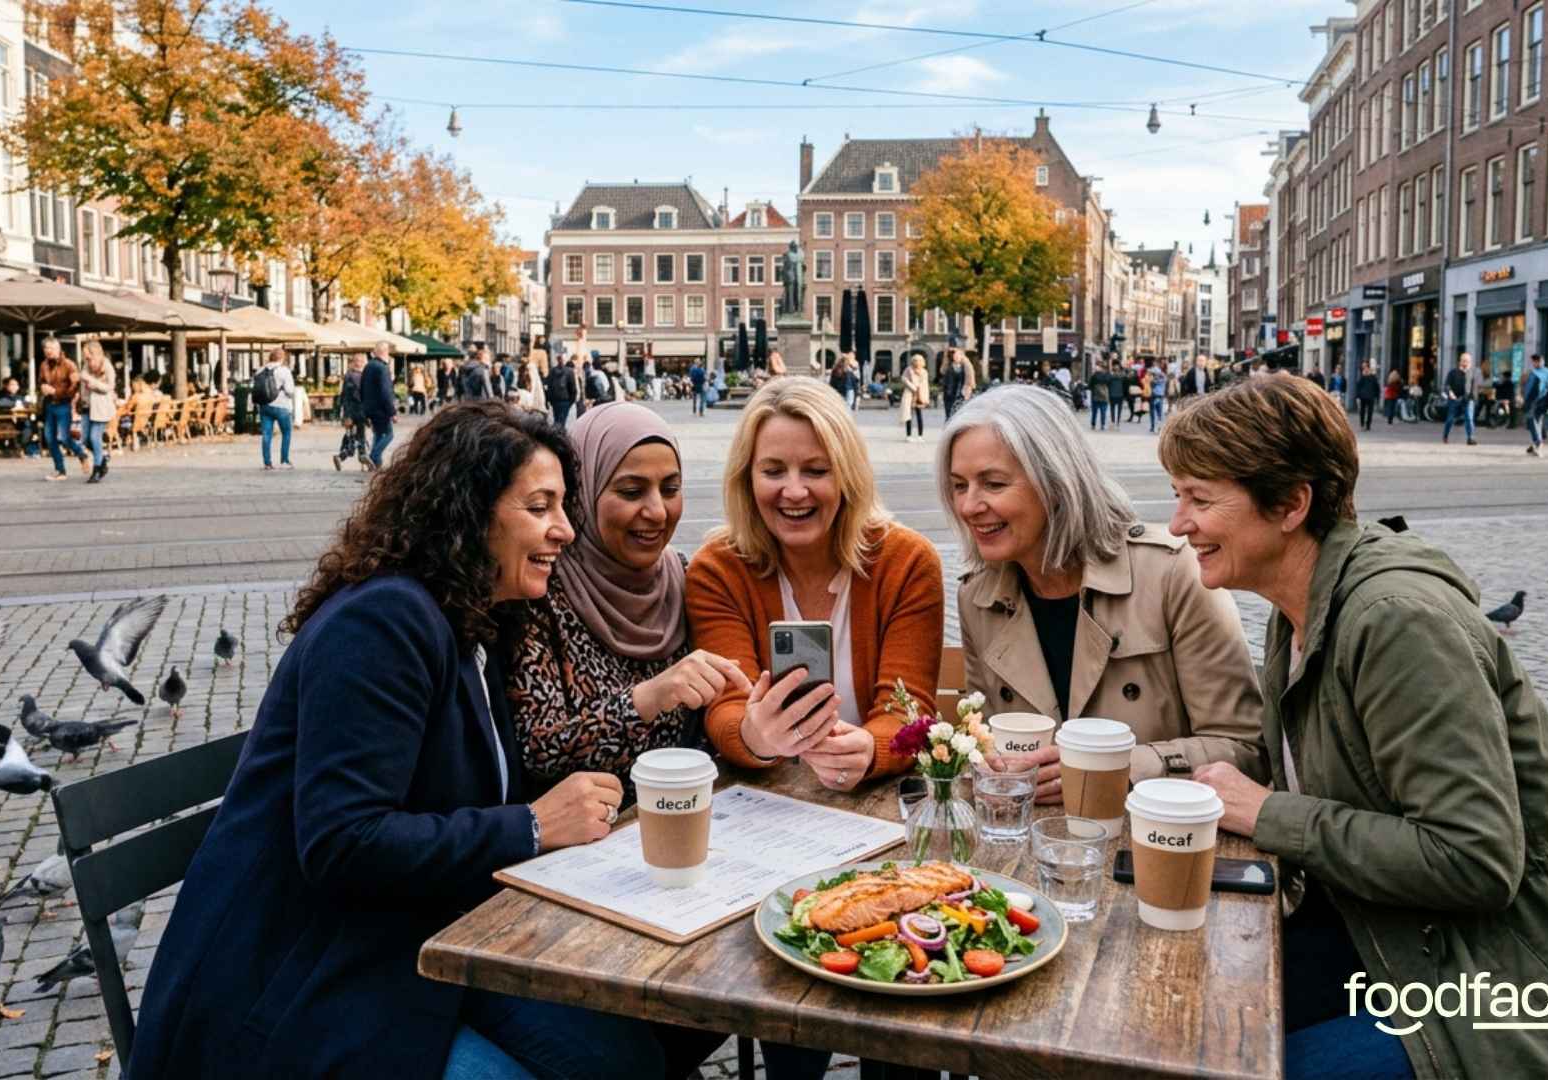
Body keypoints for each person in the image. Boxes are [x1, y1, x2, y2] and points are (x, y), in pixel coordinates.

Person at [1161, 374, 1548, 1080]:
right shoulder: (1301, 608)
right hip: (1396, 934)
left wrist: (1271, 814)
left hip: (1516, 978)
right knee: (1180, 1011)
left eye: (1199, 499)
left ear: (1291, 504)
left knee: (1227, 1059)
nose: (1176, 524)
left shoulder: (1395, 620)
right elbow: (1292, 762)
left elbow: (1474, 860)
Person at [128, 402, 677, 1080]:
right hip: (304, 979)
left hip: (419, 939)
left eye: (565, 507)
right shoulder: (383, 622)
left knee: (633, 1054)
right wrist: (532, 827)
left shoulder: (476, 621)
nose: (565, 530)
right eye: (540, 507)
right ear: (467, 514)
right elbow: (343, 843)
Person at [940, 386, 1263, 802]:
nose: (968, 506)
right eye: (958, 486)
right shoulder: (979, 598)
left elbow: (1245, 750)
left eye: (994, 484)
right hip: (1035, 843)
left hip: (1151, 841)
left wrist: (1111, 767)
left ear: (1056, 481)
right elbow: (982, 737)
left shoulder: (1170, 572)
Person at [686, 377, 943, 794]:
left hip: (873, 799)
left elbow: (907, 709)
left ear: (847, 475)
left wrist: (871, 749)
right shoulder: (718, 569)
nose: (794, 490)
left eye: (816, 470)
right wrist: (756, 735)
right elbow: (728, 707)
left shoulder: (907, 563)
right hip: (767, 802)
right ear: (746, 479)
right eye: (773, 471)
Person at [512, 402, 746, 793]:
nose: (656, 511)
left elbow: (726, 716)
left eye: (670, 489)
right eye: (632, 491)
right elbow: (537, 750)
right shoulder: (540, 590)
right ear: (581, 494)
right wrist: (647, 699)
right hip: (587, 838)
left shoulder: (688, 577)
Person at [37, 337, 89, 481]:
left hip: (63, 404)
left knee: (64, 437)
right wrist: (42, 387)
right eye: (46, 348)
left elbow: (74, 387)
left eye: (51, 348)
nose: (48, 351)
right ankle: (60, 471)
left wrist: (56, 392)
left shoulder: (69, 365)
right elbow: (40, 381)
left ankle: (82, 454)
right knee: (50, 439)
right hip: (49, 405)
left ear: (59, 349)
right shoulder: (43, 365)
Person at [79, 340, 118, 484]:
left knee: (95, 437)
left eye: (88, 357)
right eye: (85, 357)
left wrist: (92, 382)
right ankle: (103, 458)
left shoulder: (107, 366)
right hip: (86, 406)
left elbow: (109, 387)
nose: (86, 360)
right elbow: (82, 377)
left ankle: (97, 470)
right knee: (85, 439)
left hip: (101, 407)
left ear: (96, 354)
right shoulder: (87, 365)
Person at [256, 348, 297, 471]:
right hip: (282, 406)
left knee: (266, 434)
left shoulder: (260, 370)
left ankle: (267, 463)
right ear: (282, 358)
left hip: (264, 406)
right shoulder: (284, 371)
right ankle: (284, 460)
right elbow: (290, 391)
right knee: (286, 433)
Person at [360, 346, 396, 469]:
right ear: (385, 353)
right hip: (381, 409)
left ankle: (375, 464)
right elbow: (386, 392)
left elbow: (361, 388)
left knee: (379, 434)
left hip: (369, 408)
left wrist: (364, 407)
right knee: (389, 435)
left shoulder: (368, 366)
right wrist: (392, 412)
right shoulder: (382, 368)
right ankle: (373, 456)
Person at [332, 354, 368, 472]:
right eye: (360, 361)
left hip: (349, 411)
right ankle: (358, 457)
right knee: (360, 436)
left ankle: (343, 456)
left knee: (351, 436)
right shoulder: (359, 376)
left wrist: (343, 413)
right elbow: (360, 396)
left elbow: (342, 396)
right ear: (362, 362)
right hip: (358, 411)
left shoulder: (347, 375)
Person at [1521, 352, 1548, 457]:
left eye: (1538, 361)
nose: (1537, 363)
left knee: (1534, 421)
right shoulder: (1535, 373)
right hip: (1537, 401)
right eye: (1536, 361)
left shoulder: (1542, 373)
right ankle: (1536, 444)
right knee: (1536, 421)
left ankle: (1538, 442)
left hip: (1539, 401)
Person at [1441, 352, 1477, 445]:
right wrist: (1450, 392)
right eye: (1463, 361)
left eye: (1467, 361)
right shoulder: (1453, 372)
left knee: (1469, 418)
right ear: (1460, 361)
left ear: (1470, 362)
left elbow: (1474, 388)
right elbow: (1447, 385)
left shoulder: (1472, 373)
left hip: (1467, 400)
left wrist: (1472, 398)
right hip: (1454, 399)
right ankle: (1445, 436)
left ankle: (1470, 438)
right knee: (1450, 419)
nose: (1465, 363)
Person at [900, 354, 931, 442]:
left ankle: (920, 435)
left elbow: (925, 385)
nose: (917, 362)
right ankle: (908, 435)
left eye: (919, 360)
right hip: (909, 394)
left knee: (919, 415)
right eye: (915, 360)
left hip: (919, 395)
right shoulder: (908, 369)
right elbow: (903, 379)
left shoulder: (924, 372)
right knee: (908, 415)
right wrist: (913, 386)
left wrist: (926, 397)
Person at [1352, 361, 1379, 431]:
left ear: (1369, 369)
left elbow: (1376, 387)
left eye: (1367, 368)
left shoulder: (1373, 377)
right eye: (1364, 368)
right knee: (1362, 411)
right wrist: (1357, 396)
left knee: (1370, 412)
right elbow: (1358, 387)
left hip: (1370, 397)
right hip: (1363, 397)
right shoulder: (1362, 377)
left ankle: (1368, 425)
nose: (1366, 370)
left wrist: (1377, 396)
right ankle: (1362, 424)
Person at [1087, 364, 1110, 430]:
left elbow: (1089, 386)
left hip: (1095, 397)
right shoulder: (1106, 376)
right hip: (1104, 397)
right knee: (1103, 412)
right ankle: (1102, 425)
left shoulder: (1094, 376)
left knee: (1094, 412)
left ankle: (1093, 425)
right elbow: (1109, 383)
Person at [1146, 363, 1167, 431]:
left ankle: (1152, 426)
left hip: (1153, 396)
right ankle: (1159, 426)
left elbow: (1150, 383)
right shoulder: (1163, 379)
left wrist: (1152, 377)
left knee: (1152, 412)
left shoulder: (1153, 380)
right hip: (1160, 397)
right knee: (1159, 413)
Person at [1107, 361, 1128, 428]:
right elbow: (1126, 384)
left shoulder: (1110, 376)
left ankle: (1113, 421)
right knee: (1119, 409)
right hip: (1120, 395)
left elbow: (1108, 385)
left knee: (1112, 409)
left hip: (1112, 395)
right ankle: (1118, 421)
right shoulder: (1122, 376)